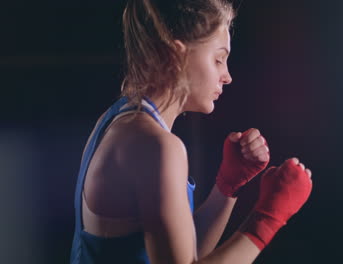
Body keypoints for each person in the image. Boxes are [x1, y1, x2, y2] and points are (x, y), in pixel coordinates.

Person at [70, 0, 313, 263]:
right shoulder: (155, 146)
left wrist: (226, 186)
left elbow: (182, 253)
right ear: (176, 55)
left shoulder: (119, 120)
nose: (227, 75)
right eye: (219, 59)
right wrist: (269, 217)